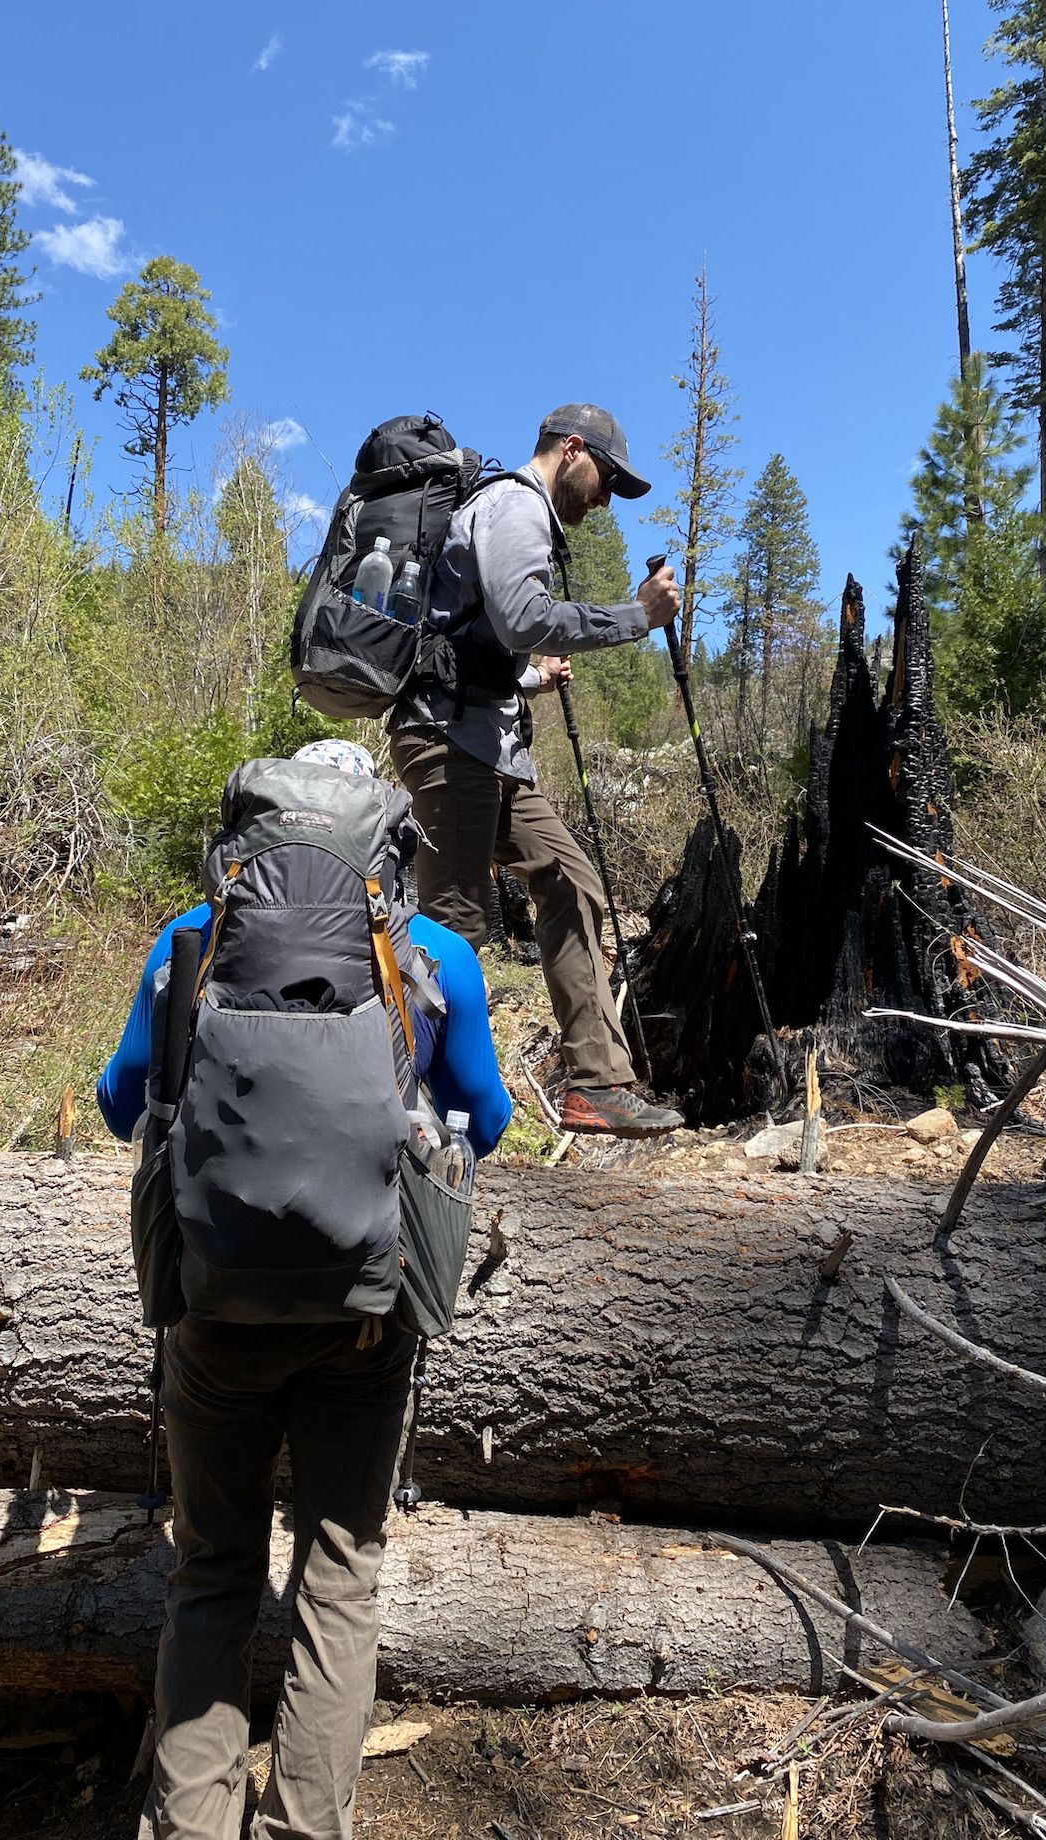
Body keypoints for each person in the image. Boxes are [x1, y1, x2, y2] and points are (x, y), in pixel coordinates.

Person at [97, 737, 510, 1840]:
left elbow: (116, 1099)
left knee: (213, 1569)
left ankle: (191, 1826)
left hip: (214, 1306)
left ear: (251, 841)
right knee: (339, 1574)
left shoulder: (190, 940)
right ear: (381, 844)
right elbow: (494, 1116)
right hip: (364, 1310)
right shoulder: (434, 954)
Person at [389, 401, 684, 1138]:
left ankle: (596, 1084)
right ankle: (407, 1106)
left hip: (487, 746)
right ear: (573, 450)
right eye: (607, 479)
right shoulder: (515, 506)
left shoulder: (523, 518)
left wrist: (528, 681)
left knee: (571, 883)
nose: (607, 498)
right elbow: (523, 618)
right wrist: (636, 617)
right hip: (448, 744)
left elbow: (471, 642)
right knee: (450, 931)